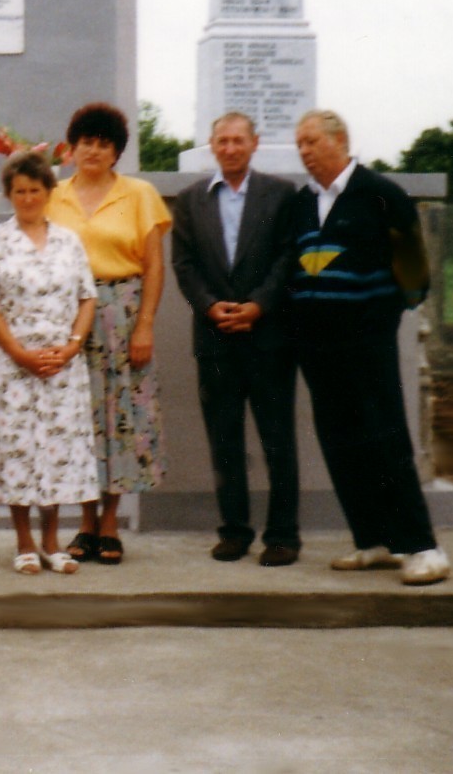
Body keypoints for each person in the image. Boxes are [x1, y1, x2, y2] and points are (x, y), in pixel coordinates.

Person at [290, 109, 450, 586]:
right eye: (299, 144)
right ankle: (373, 541)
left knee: (384, 440)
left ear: (340, 141)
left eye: (311, 142)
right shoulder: (302, 202)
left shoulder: (382, 194)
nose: (304, 151)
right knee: (340, 443)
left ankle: (424, 547)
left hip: (366, 343)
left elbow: (415, 274)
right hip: (317, 348)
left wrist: (377, 320)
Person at [171, 112, 302, 567]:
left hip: (268, 339)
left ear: (254, 144)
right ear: (211, 145)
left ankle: (283, 535)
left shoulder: (281, 195)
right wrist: (210, 306)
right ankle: (234, 531)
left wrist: (258, 306)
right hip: (215, 339)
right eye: (222, 141)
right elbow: (184, 264)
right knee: (224, 442)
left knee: (277, 440)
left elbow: (288, 257)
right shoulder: (190, 200)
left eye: (238, 141)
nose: (230, 148)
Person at [46, 101, 171, 566]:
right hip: (68, 316)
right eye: (86, 142)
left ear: (116, 151)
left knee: (121, 417)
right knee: (78, 416)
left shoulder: (139, 194)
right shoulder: (53, 195)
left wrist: (145, 324)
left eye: (103, 144)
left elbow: (154, 266)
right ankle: (84, 520)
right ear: (71, 148)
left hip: (123, 313)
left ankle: (111, 521)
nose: (94, 151)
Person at [0, 151, 100, 575]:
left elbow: (87, 297)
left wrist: (72, 346)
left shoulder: (68, 240)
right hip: (12, 365)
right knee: (18, 451)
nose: (27, 198)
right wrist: (18, 352)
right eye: (20, 191)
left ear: (49, 192)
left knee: (57, 450)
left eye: (35, 190)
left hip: (62, 364)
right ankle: (24, 541)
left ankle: (52, 542)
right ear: (9, 194)